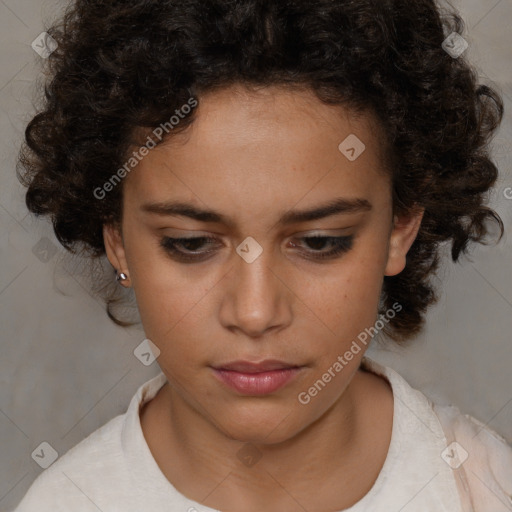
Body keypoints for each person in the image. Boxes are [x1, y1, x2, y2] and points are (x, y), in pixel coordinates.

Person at [13, 0, 512, 510]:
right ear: (117, 240)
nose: (255, 313)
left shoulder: (483, 488)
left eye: (320, 242)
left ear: (400, 228)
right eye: (190, 243)